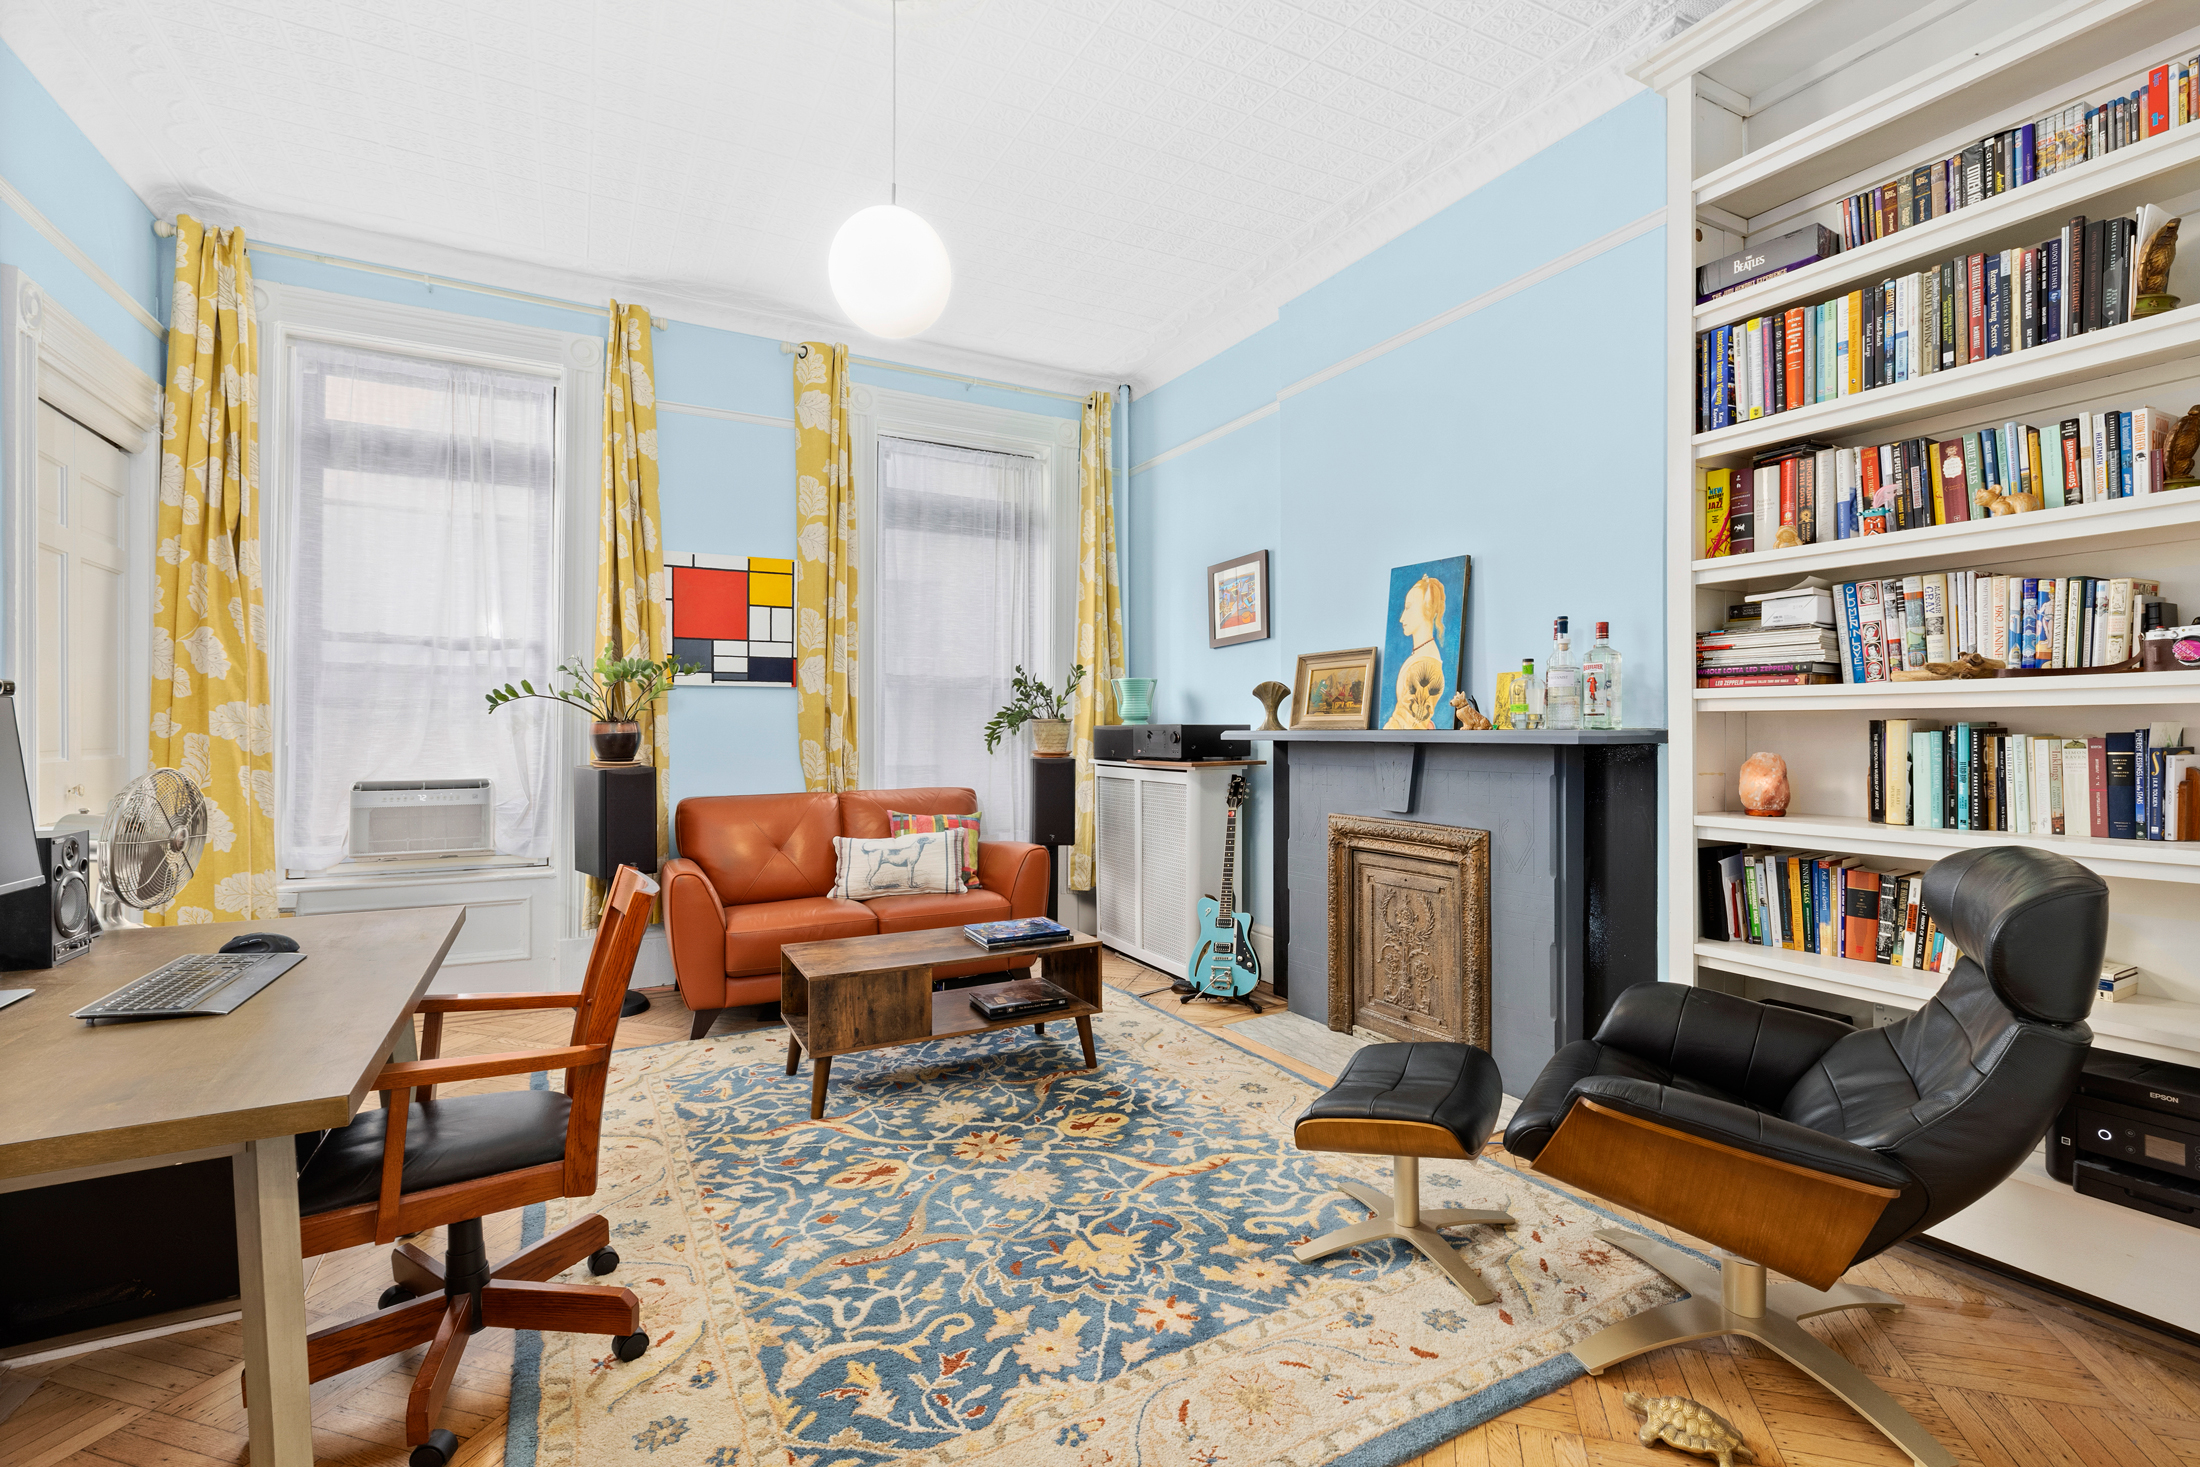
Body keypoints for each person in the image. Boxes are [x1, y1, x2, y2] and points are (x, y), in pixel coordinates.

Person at [1385, 574, 1447, 729]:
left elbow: (1408, 725)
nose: (1402, 618)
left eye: (1408, 608)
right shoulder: (1420, 657)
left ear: (1426, 610)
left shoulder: (1426, 665)